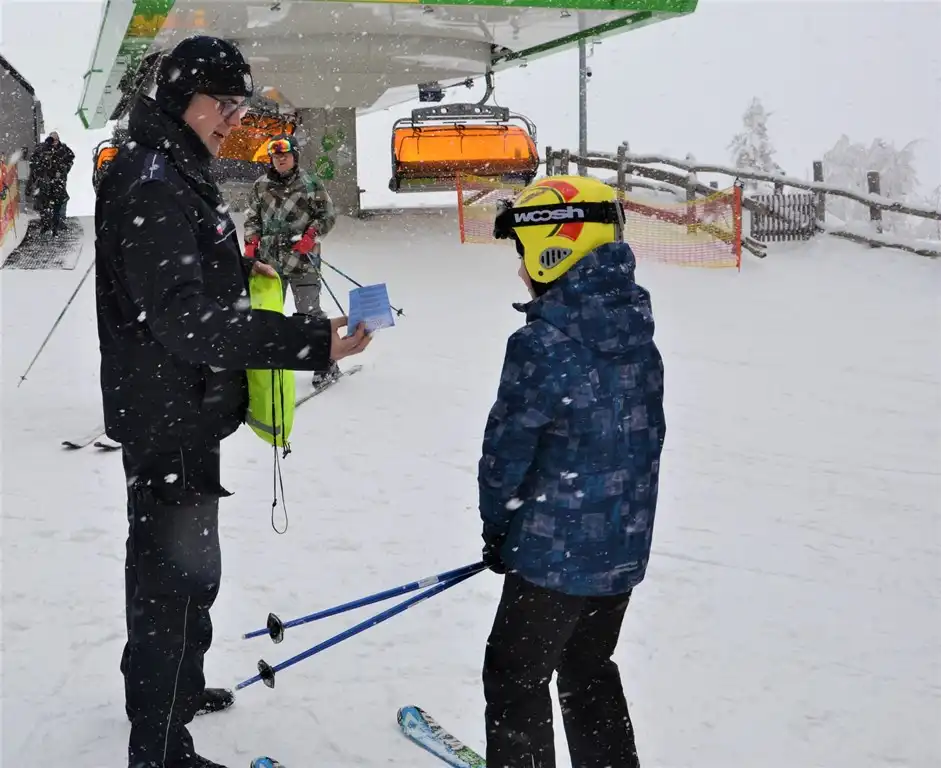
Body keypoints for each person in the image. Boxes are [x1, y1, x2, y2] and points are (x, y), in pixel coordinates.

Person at [94, 35, 372, 768]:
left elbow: (194, 295)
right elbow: (185, 320)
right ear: (184, 96)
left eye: (239, 106)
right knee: (172, 580)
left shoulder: (176, 168)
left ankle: (170, 693)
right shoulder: (154, 180)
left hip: (182, 404)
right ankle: (158, 746)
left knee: (181, 571)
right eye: (224, 104)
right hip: (169, 409)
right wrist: (308, 342)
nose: (233, 119)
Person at [477, 175, 666, 768]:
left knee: (514, 675)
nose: (518, 270)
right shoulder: (637, 331)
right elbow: (644, 439)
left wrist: (497, 530)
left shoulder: (542, 343)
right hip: (621, 548)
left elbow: (505, 456)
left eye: (520, 254)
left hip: (552, 557)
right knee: (587, 667)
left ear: (551, 245)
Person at [243, 133, 340, 386]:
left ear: (294, 156)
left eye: (285, 155)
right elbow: (252, 218)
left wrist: (312, 233)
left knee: (309, 313)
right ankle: (267, 363)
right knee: (266, 314)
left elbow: (327, 215)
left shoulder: (310, 184)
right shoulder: (260, 185)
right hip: (269, 263)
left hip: (303, 260)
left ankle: (325, 362)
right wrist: (251, 242)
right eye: (276, 156)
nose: (280, 159)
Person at [27, 131, 74, 235]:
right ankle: (46, 223)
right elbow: (34, 162)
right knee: (43, 203)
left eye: (56, 140)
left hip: (58, 181)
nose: (54, 142)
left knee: (59, 202)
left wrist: (63, 169)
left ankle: (58, 224)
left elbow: (70, 158)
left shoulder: (63, 149)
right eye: (52, 140)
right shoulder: (42, 148)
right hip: (44, 180)